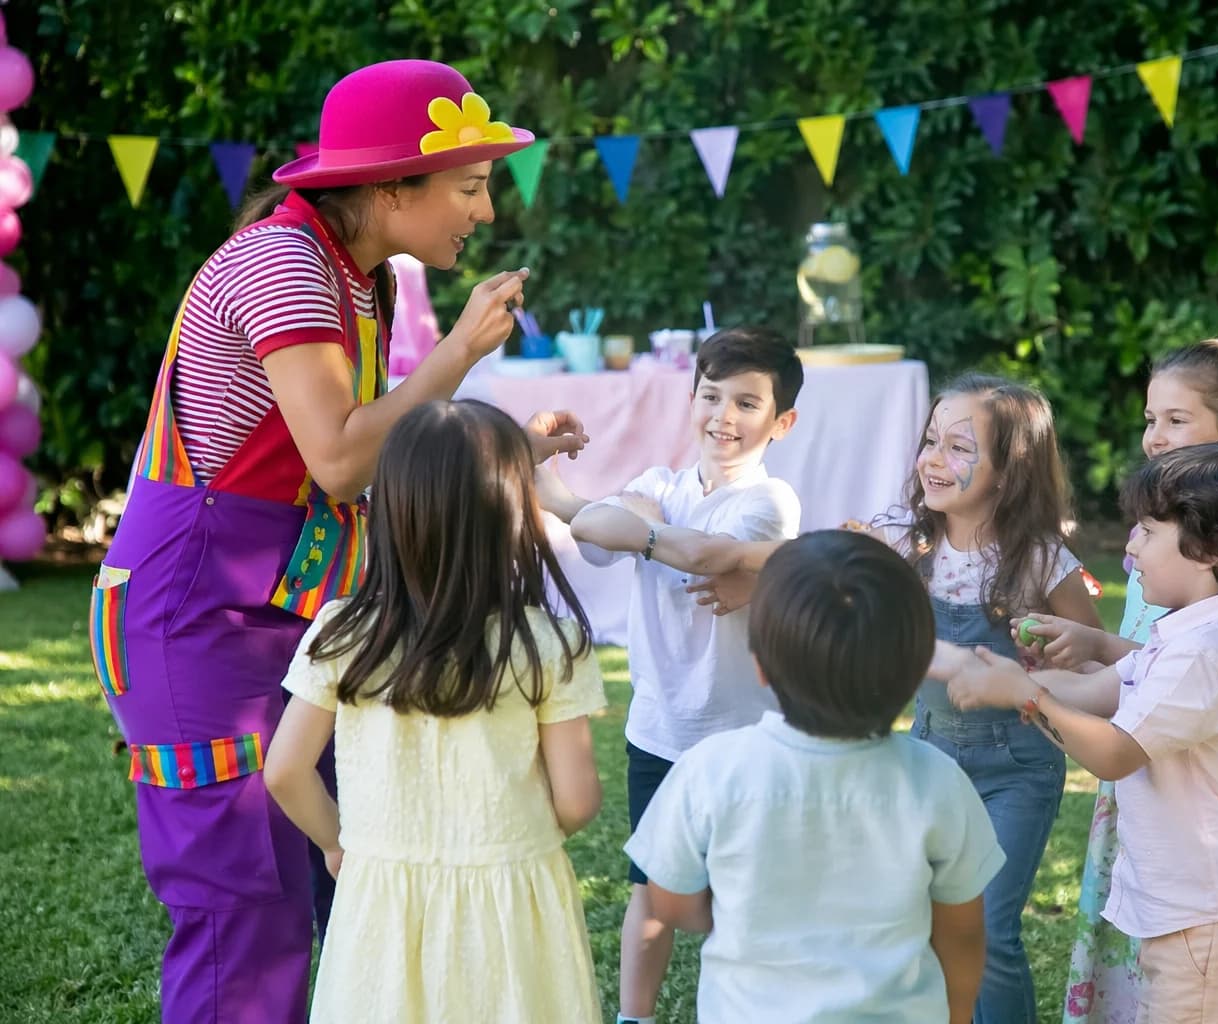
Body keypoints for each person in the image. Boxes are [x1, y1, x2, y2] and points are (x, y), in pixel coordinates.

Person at [83, 59, 585, 1022]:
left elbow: (373, 450)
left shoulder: (362, 278)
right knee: (246, 910)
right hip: (194, 615)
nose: (484, 211)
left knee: (348, 877)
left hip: (296, 613)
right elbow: (342, 459)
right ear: (391, 187)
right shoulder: (282, 264)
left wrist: (500, 453)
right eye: (468, 187)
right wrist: (460, 350)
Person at [686, 373, 1098, 1023]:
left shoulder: (1042, 561)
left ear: (1011, 470)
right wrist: (747, 576)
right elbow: (821, 564)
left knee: (991, 931)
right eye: (931, 441)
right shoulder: (906, 537)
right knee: (927, 922)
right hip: (926, 758)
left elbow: (1095, 660)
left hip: (1017, 768)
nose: (933, 458)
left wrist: (1053, 662)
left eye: (959, 448)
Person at [939, 441, 1218, 1023]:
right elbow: (1097, 691)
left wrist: (1027, 696)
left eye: (1147, 531)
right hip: (1199, 911)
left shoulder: (1206, 652)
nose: (1130, 546)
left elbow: (1114, 753)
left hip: (1216, 912)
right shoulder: (1186, 634)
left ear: (1208, 551)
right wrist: (1007, 677)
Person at [263, 401, 605, 1023]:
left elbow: (285, 771)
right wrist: (515, 836)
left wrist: (338, 843)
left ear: (391, 515)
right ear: (511, 516)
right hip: (512, 905)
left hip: (380, 904)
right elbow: (577, 801)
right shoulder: (546, 643)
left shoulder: (341, 633)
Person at [1020, 330, 1218, 1023]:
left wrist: (1027, 695)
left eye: (1176, 419)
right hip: (1182, 863)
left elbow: (1131, 732)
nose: (1155, 435)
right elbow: (1131, 676)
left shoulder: (1212, 628)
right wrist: (1025, 674)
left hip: (1210, 890)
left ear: (1208, 549)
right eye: (1152, 418)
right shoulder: (1191, 594)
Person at [626, 530, 1005, 1024]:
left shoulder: (710, 770)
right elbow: (962, 932)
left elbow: (671, 903)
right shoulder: (939, 782)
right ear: (916, 672)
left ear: (761, 665)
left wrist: (730, 910)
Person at [537, 326, 803, 1024]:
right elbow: (595, 537)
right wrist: (594, 510)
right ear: (690, 399)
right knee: (651, 892)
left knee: (738, 894)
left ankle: (741, 1009)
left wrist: (642, 531)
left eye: (747, 403)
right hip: (658, 728)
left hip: (742, 733)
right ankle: (635, 1016)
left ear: (782, 423)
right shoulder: (657, 484)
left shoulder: (770, 501)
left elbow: (708, 556)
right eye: (710, 396)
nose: (724, 416)